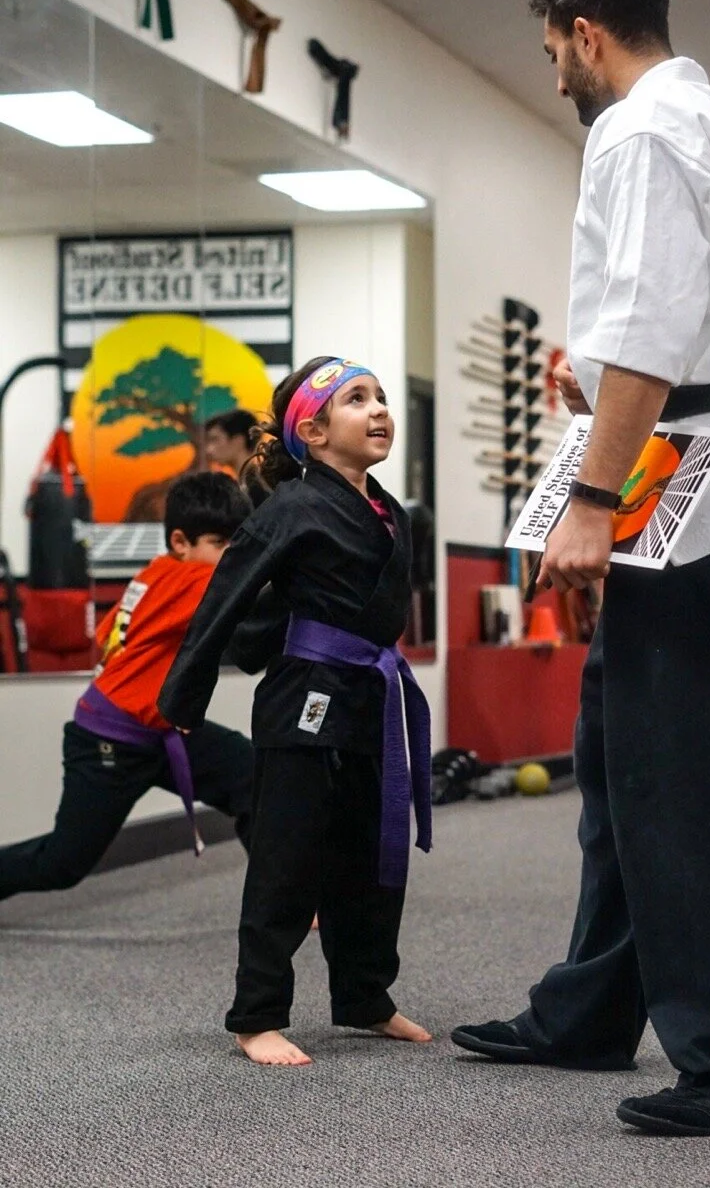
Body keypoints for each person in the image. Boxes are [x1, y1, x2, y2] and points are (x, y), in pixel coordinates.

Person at [452, 0, 710, 1137]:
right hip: (698, 461)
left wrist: (593, 501)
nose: (558, 76)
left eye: (556, 52)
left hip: (682, 488)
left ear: (588, 32)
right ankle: (590, 1006)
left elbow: (659, 322)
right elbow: (674, 322)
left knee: (699, 788)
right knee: (624, 770)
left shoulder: (644, 130)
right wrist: (601, 398)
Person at [158, 356, 433, 1067]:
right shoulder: (290, 507)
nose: (377, 410)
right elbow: (228, 597)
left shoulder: (388, 510)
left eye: (378, 397)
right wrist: (183, 697)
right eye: (354, 400)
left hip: (369, 697)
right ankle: (256, 1017)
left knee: (370, 855)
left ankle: (365, 997)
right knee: (287, 858)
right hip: (304, 698)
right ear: (311, 431)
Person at [0, 472, 255, 902]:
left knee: (253, 776)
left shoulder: (154, 575)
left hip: (161, 729)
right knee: (62, 864)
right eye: (220, 543)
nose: (232, 555)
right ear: (180, 542)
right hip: (110, 740)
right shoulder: (191, 580)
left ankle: (282, 899)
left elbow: (107, 636)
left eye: (237, 543)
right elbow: (255, 581)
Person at [204, 409, 258, 477]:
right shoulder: (241, 482)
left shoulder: (261, 483)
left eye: (215, 440)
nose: (208, 450)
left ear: (238, 441)